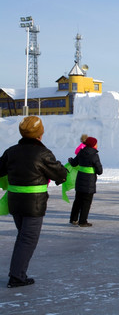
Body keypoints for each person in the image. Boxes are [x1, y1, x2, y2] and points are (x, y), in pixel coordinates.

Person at [0, 116, 67, 288]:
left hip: (15, 201)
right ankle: (16, 277)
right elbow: (60, 174)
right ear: (40, 134)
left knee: (23, 237)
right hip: (34, 203)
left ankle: (18, 273)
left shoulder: (11, 151)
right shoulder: (43, 153)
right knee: (28, 239)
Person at [68, 136, 103, 227]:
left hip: (80, 180)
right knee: (86, 202)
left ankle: (73, 219)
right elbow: (99, 171)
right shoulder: (94, 155)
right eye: (96, 143)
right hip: (89, 182)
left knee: (77, 201)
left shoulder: (81, 152)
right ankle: (82, 221)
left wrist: (70, 160)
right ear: (93, 145)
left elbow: (74, 163)